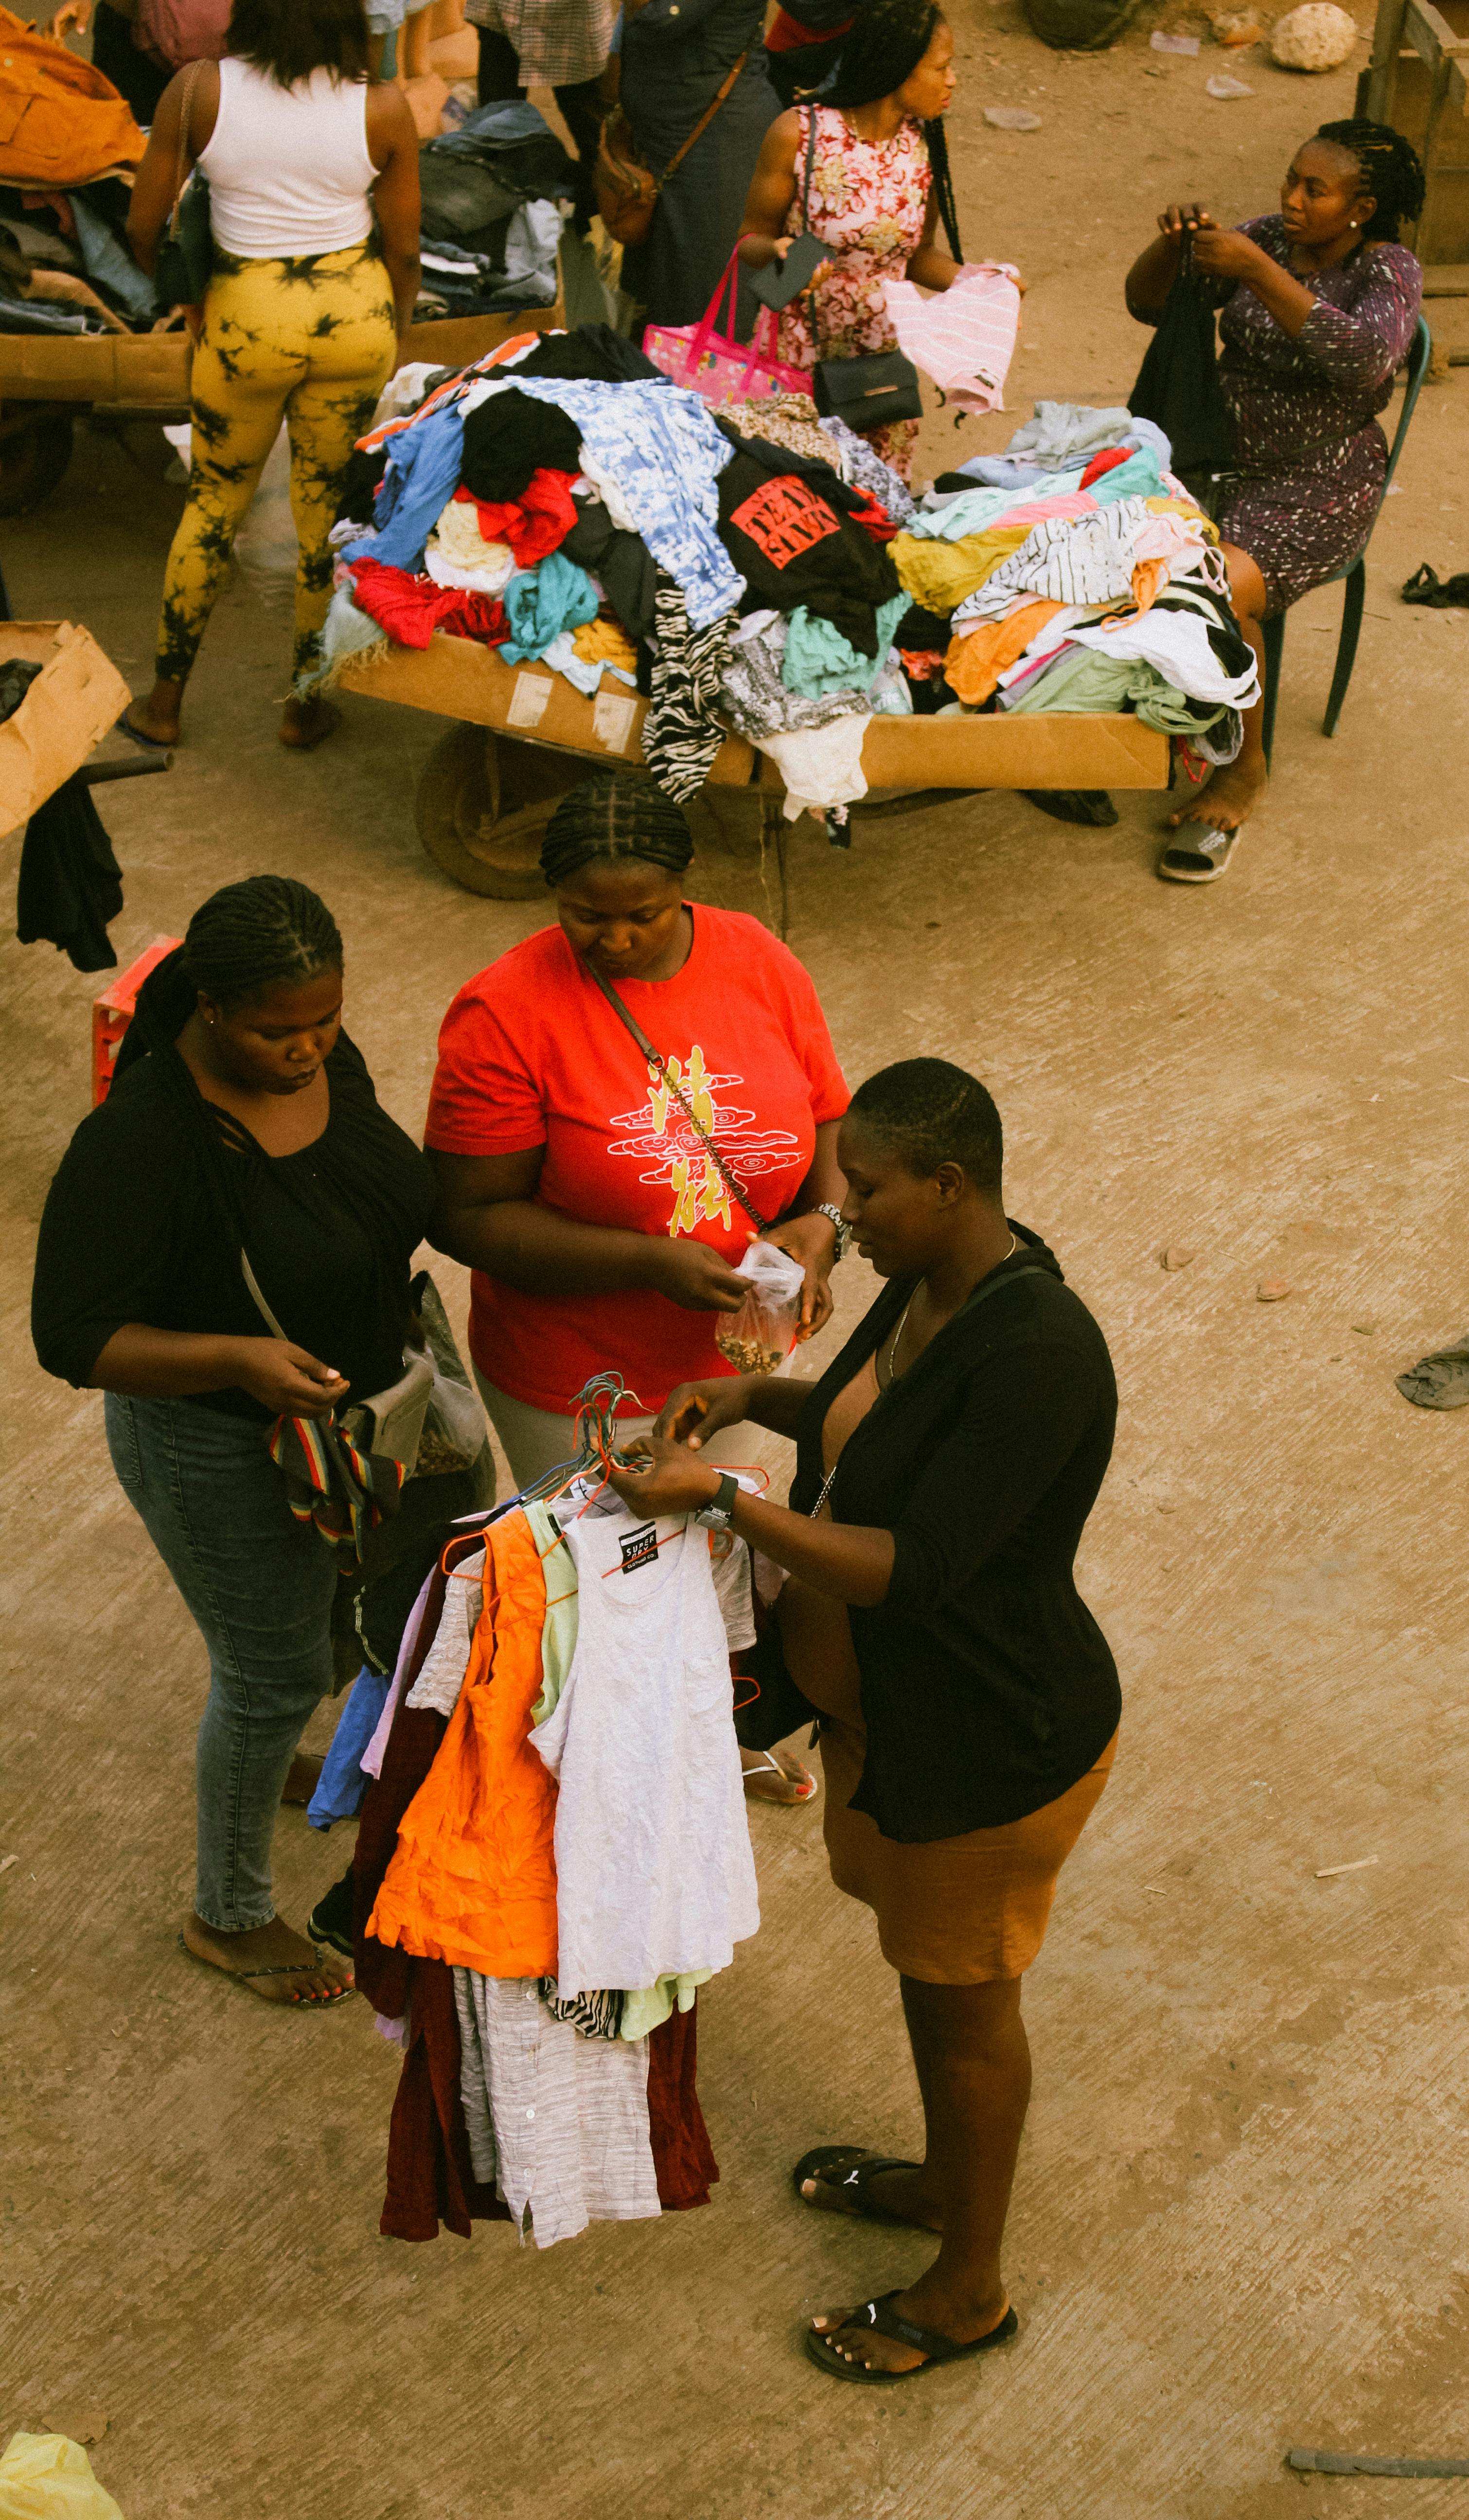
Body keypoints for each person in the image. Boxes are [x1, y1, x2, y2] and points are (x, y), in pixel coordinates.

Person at [608, 1058, 1120, 2378]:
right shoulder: (924, 1281)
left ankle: (968, 2291)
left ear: (947, 1186)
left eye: (868, 1191)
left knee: (964, 2005)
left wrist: (721, 1501)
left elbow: (914, 1564)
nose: (846, 1214)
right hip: (889, 1725)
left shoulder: (1037, 1354)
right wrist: (742, 1402)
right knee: (925, 1973)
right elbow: (853, 1438)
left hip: (986, 1748)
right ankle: (948, 2185)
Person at [31, 878, 458, 2008]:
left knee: (328, 1623)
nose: (308, 1048)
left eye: (324, 1020)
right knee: (268, 1670)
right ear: (214, 1009)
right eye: (278, 1029)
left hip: (353, 1422)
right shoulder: (143, 1142)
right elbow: (72, 1335)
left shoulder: (318, 1055)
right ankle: (228, 1912)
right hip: (219, 1443)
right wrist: (235, 1358)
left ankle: (272, 1756)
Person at [424, 770, 850, 1805]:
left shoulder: (756, 957)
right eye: (585, 917)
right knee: (603, 1590)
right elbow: (467, 1217)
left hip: (741, 1363)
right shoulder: (502, 1014)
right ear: (552, 897)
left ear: (685, 885)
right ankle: (598, 1786)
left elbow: (830, 1118)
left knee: (723, 1558)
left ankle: (709, 1730)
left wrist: (822, 1226)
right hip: (580, 1384)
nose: (612, 939)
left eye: (641, 915)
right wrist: (645, 1261)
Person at [1126, 121, 1424, 884]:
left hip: (1320, 478)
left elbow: (1364, 364)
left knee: (1214, 586)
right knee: (1105, 549)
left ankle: (1243, 768)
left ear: (1361, 207)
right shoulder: (1265, 237)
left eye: (1313, 190)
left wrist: (1257, 270)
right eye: (1290, 180)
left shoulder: (1387, 269)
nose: (1290, 200)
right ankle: (1143, 719)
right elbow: (1146, 304)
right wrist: (1173, 245)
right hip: (1215, 453)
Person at [119, 0, 421, 752]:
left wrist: (185, 293)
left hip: (245, 320)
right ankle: (303, 706)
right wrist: (396, 328)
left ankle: (163, 705)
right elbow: (406, 250)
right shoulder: (381, 105)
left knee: (213, 506)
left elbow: (141, 225)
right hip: (353, 319)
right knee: (324, 515)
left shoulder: (199, 90)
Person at [738, 0, 964, 482]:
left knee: (873, 510)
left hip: (879, 371)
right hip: (795, 359)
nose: (953, 81)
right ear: (897, 66)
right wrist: (778, 252)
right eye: (942, 68)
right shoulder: (799, 133)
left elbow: (918, 256)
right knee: (791, 499)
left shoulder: (923, 148)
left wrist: (982, 285)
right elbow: (748, 239)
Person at [617, 0, 780, 332]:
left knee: (707, 303)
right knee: (667, 282)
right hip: (677, 133)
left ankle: (711, 380)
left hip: (717, 142)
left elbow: (655, 22)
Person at [465, 0, 613, 229]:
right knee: (495, 134)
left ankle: (596, 225)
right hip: (503, 13)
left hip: (574, 20)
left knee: (594, 141)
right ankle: (499, 234)